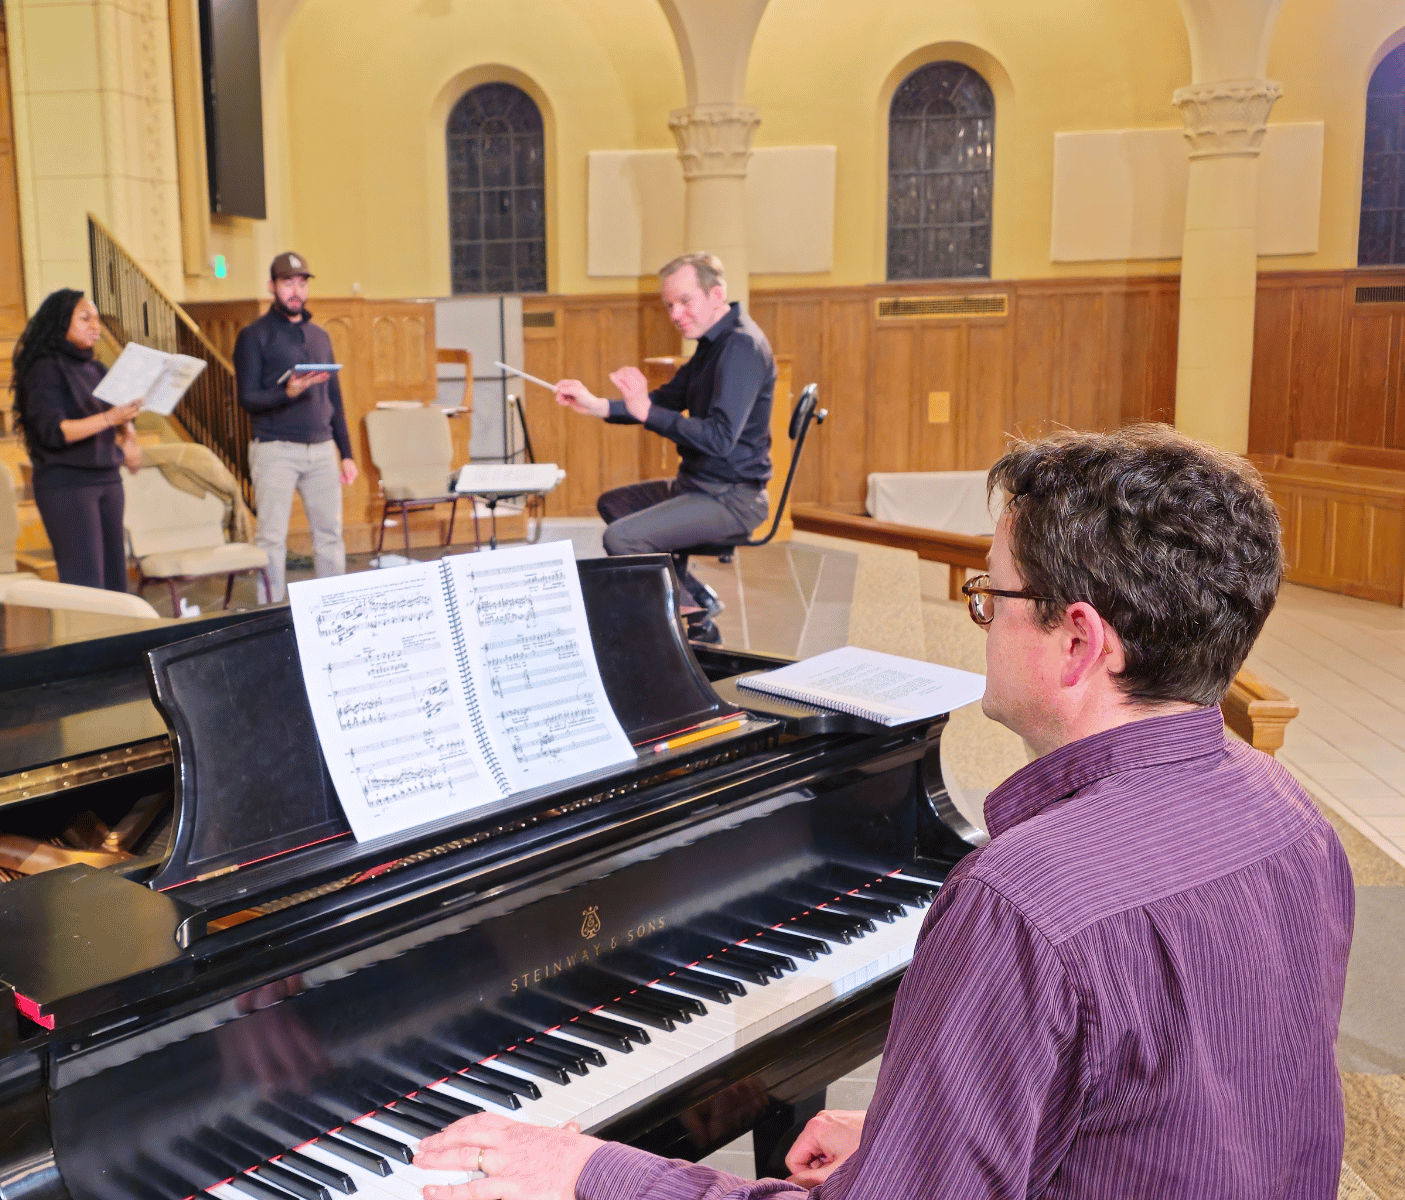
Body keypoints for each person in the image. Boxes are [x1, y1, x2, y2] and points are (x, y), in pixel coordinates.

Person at [412, 424, 1354, 1200]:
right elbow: (1199, 1106)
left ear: (1077, 643)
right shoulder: (1287, 814)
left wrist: (593, 1171)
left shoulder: (1025, 903)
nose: (981, 618)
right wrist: (928, 1132)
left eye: (992, 595)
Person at [552, 252, 773, 618]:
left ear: (716, 295)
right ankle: (691, 595)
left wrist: (648, 412)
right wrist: (596, 405)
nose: (674, 315)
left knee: (621, 538)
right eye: (670, 304)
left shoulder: (741, 348)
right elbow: (662, 401)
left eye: (685, 301)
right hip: (699, 485)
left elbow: (719, 439)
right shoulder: (712, 344)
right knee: (614, 504)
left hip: (733, 498)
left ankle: (678, 614)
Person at [233, 251, 358, 601]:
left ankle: (333, 608)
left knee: (330, 533)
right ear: (272, 286)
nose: (296, 290)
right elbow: (247, 399)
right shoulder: (254, 336)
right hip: (275, 449)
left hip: (321, 449)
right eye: (288, 283)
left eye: (302, 283)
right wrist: (285, 392)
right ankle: (269, 614)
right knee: (271, 538)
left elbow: (334, 398)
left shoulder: (320, 336)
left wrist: (345, 453)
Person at [12, 288, 142, 592]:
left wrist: (130, 437)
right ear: (60, 322)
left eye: (97, 319)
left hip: (108, 479)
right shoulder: (44, 368)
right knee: (86, 583)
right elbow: (55, 431)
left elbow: (121, 412)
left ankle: (119, 640)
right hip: (68, 485)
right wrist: (111, 419)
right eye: (84, 318)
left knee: (115, 582)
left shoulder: (97, 368)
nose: (94, 326)